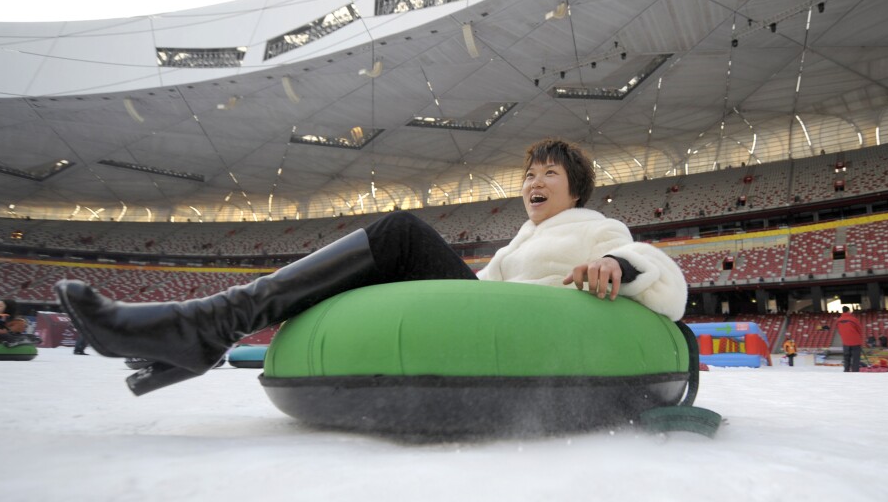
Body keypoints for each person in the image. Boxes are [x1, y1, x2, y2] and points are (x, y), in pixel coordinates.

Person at [55, 139, 688, 395]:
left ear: (576, 188)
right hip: (487, 319)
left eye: (548, 172)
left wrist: (614, 263)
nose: (533, 180)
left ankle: (207, 327)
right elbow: (483, 298)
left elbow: (655, 266)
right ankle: (207, 330)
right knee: (376, 259)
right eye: (528, 173)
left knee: (400, 232)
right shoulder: (512, 248)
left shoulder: (599, 230)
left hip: (541, 329)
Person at [836, 306, 864, 372]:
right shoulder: (853, 319)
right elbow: (860, 329)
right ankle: (855, 371)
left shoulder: (838, 320)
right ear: (848, 311)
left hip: (845, 342)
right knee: (855, 359)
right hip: (855, 342)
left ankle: (846, 371)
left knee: (846, 358)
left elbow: (839, 331)